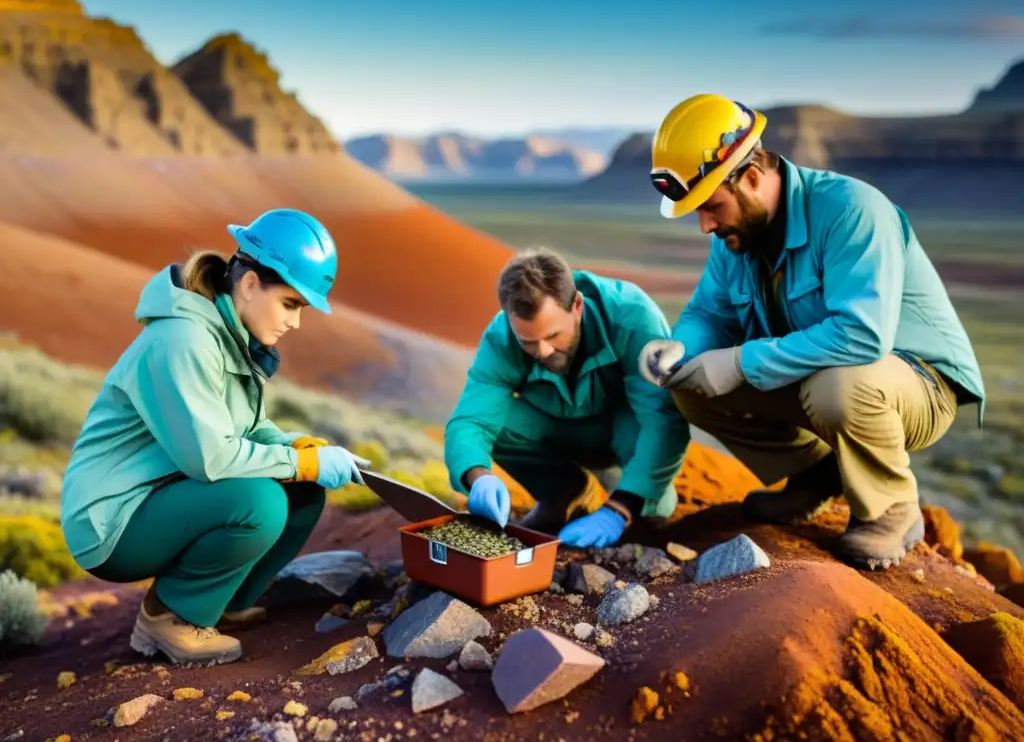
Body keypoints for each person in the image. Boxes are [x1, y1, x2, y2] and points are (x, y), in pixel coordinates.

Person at [639, 93, 985, 570]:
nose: (704, 226)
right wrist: (681, 348)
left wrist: (739, 362)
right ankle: (814, 475)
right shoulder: (739, 236)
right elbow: (710, 314)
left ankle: (892, 509)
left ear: (753, 178)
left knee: (836, 386)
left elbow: (862, 336)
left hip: (916, 385)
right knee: (692, 387)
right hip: (823, 373)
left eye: (712, 206)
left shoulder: (851, 211)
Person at [60, 208, 371, 665]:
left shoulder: (230, 336)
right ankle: (169, 617)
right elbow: (211, 458)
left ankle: (217, 606)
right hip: (111, 520)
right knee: (259, 504)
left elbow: (247, 428)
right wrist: (299, 463)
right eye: (291, 304)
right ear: (248, 284)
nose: (296, 323)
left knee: (303, 492)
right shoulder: (186, 340)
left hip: (161, 494)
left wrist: (297, 447)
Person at [443, 247, 690, 548]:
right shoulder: (501, 337)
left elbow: (663, 420)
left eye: (552, 336)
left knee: (656, 509)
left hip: (625, 428)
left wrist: (620, 508)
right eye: (529, 342)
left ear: (577, 305)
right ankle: (564, 491)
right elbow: (471, 420)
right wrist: (477, 477)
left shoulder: (632, 314)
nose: (543, 352)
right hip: (557, 430)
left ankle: (636, 501)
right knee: (498, 420)